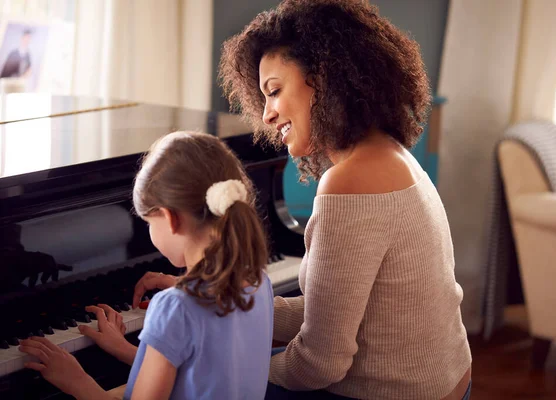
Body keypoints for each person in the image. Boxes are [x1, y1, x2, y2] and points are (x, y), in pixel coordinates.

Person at [217, 0, 473, 399]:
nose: (266, 115)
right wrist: (221, 304)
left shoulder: (350, 182)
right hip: (443, 382)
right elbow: (331, 312)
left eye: (274, 91)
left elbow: (319, 363)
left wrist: (220, 365)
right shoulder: (389, 153)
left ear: (324, 78)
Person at [18, 131, 275, 400]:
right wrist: (122, 347)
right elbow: (197, 372)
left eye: (149, 223)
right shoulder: (258, 281)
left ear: (170, 218)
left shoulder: (176, 308)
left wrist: (77, 380)